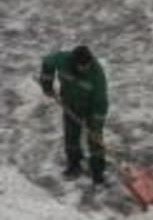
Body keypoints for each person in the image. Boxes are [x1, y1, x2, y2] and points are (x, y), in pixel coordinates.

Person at [40, 45, 109, 186]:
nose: (84, 69)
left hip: (92, 109)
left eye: (87, 66)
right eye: (81, 66)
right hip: (70, 103)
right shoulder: (63, 60)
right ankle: (74, 165)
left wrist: (95, 126)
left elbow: (101, 104)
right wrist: (47, 83)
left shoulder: (97, 76)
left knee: (95, 139)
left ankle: (97, 172)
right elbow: (47, 62)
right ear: (74, 62)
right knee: (71, 135)